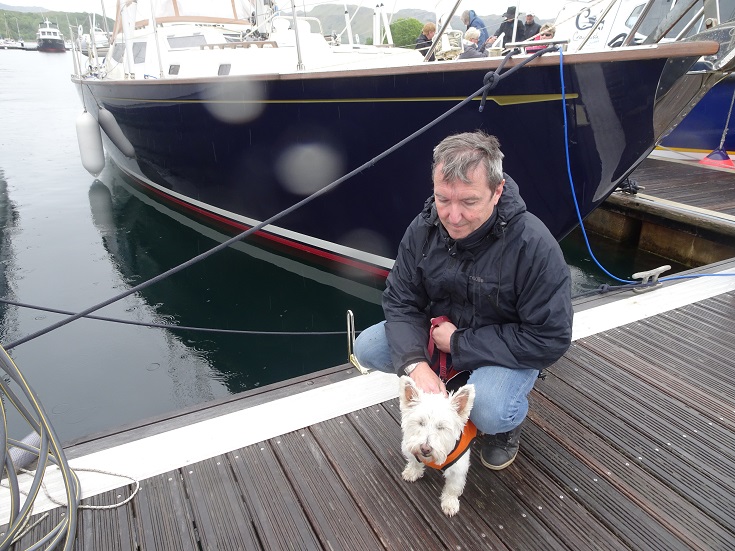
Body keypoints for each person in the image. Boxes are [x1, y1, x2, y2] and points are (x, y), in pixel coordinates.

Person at [353, 131, 573, 471]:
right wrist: (417, 365)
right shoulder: (423, 228)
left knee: (492, 411)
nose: (453, 216)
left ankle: (506, 425)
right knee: (367, 347)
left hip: (499, 348)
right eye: (443, 199)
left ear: (497, 191)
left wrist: (459, 343)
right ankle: (452, 383)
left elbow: (550, 338)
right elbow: (400, 300)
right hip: (441, 336)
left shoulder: (534, 246)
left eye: (469, 202)